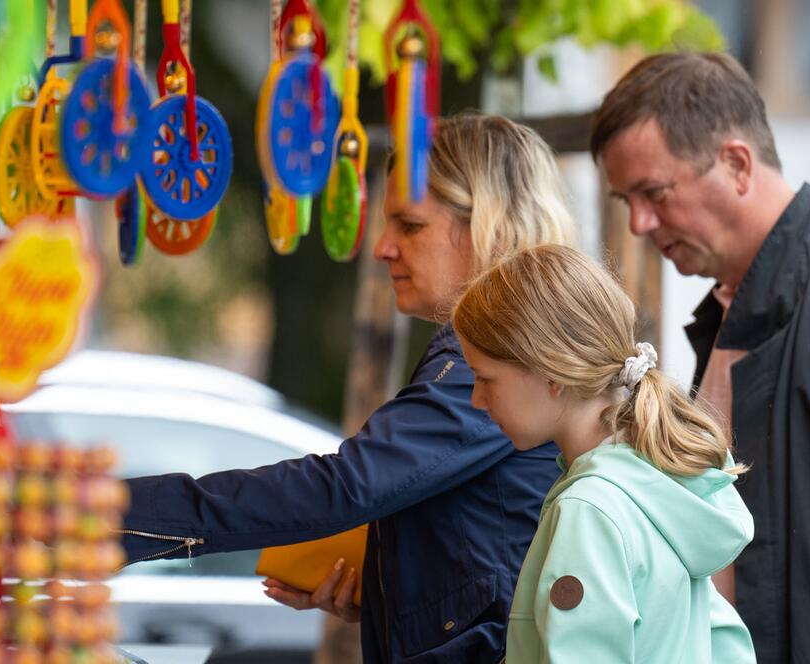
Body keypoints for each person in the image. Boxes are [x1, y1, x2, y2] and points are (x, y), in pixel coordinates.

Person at [117, 112, 578, 663]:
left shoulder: (504, 352)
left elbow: (346, 486)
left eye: (409, 225)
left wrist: (114, 515)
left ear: (490, 225)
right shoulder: (494, 346)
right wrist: (389, 583)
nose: (383, 248)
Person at [591, 51, 810, 662]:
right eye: (625, 200)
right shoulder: (727, 313)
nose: (638, 222)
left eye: (653, 192)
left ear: (737, 164)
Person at [452, 244, 756, 662]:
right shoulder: (664, 484)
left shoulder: (590, 510)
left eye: (485, 378)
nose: (476, 400)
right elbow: (725, 643)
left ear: (550, 372)